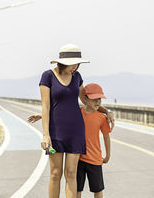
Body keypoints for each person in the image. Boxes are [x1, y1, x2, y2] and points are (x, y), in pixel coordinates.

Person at [38, 44, 114, 198]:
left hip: (76, 132)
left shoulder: (77, 77)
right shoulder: (47, 76)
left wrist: (106, 111)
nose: (76, 67)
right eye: (74, 63)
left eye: (78, 64)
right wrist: (46, 134)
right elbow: (45, 106)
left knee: (71, 173)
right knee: (55, 173)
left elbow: (87, 101)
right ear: (63, 62)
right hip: (55, 132)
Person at [29, 82, 111, 198]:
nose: (97, 102)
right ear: (85, 99)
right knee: (77, 189)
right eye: (94, 99)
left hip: (95, 160)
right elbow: (61, 113)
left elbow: (107, 137)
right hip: (79, 158)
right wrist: (42, 115)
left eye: (99, 99)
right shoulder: (78, 112)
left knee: (97, 189)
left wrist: (107, 156)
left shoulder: (102, 118)